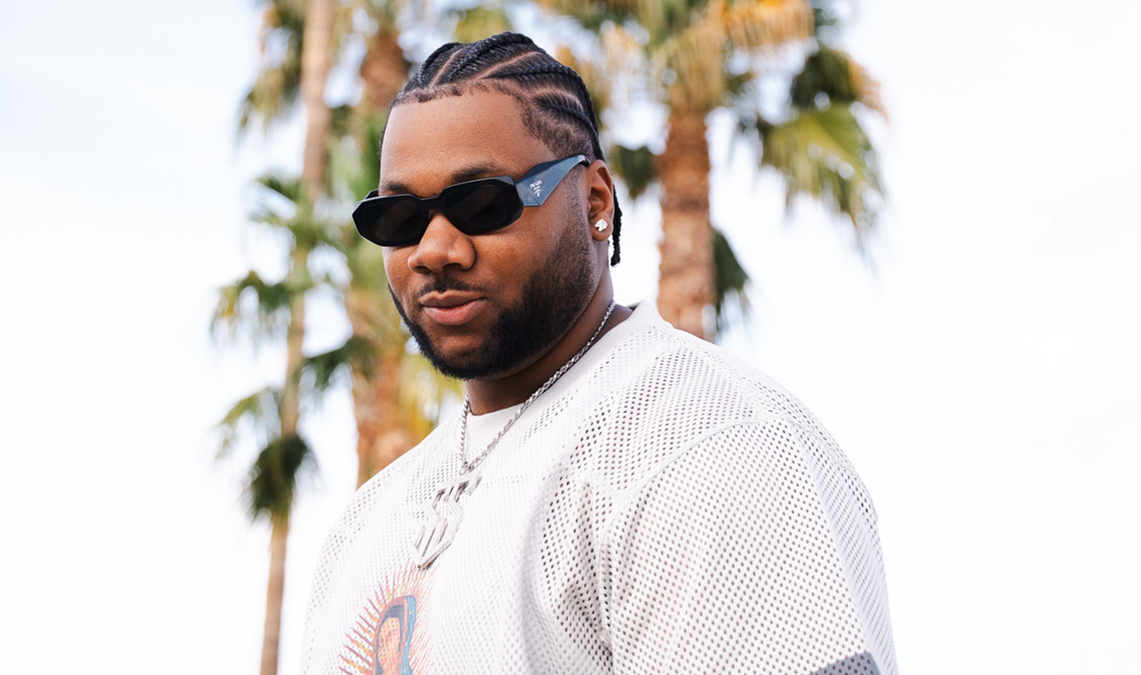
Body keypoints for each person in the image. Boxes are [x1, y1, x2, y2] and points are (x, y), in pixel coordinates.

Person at [301, 32, 897, 675]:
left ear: (595, 203)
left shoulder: (703, 443)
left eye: (482, 204)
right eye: (399, 218)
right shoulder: (366, 523)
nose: (434, 250)